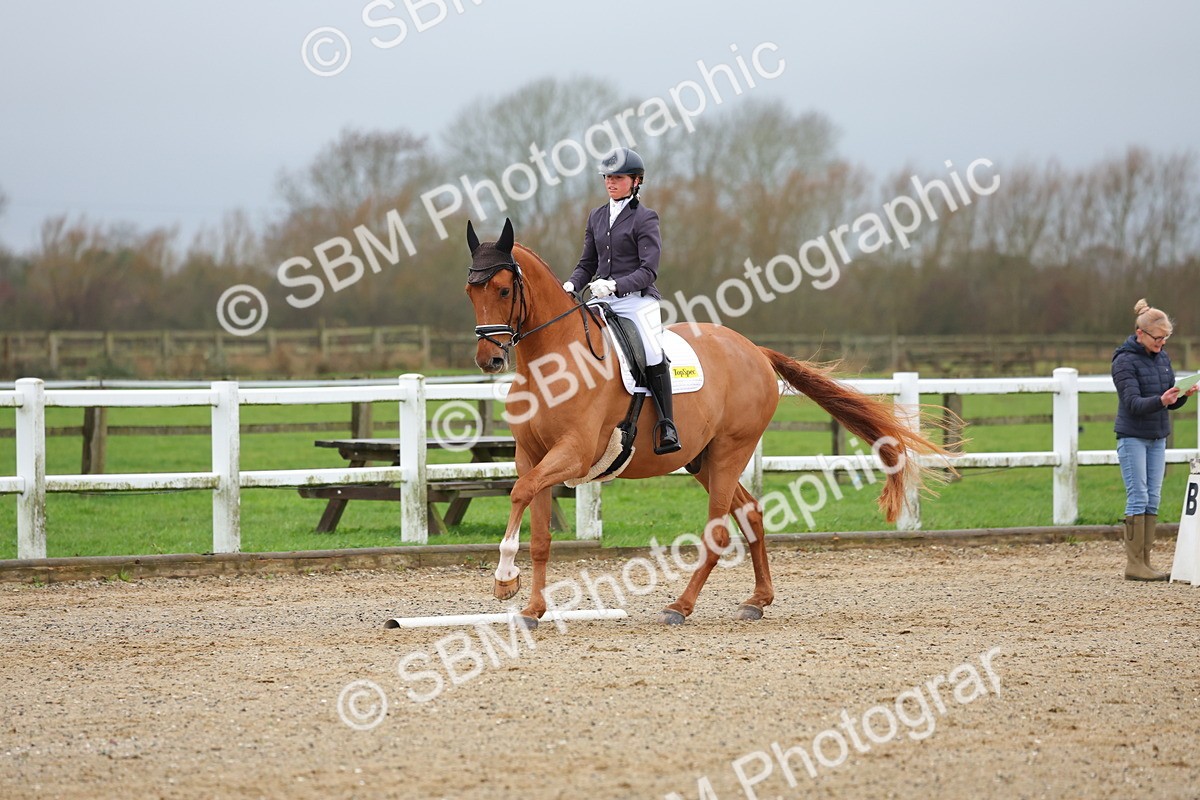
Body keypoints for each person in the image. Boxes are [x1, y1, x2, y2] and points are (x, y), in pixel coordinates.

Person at [562, 147, 681, 454]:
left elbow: (648, 270)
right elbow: (587, 263)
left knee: (653, 352)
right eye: (607, 177)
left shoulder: (645, 218)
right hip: (601, 300)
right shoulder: (597, 216)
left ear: (636, 181)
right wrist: (571, 284)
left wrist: (615, 285)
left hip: (637, 300)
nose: (611, 182)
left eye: (618, 177)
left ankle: (667, 424)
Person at [1111, 298, 1198, 581]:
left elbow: (1167, 403)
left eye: (1165, 338)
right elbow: (1133, 403)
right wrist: (1161, 399)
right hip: (1133, 436)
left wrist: (1180, 396)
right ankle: (1134, 564)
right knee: (1138, 496)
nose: (1162, 343)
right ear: (1141, 334)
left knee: (1153, 498)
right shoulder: (1123, 361)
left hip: (1157, 435)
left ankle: (1145, 562)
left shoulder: (1162, 358)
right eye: (1158, 338)